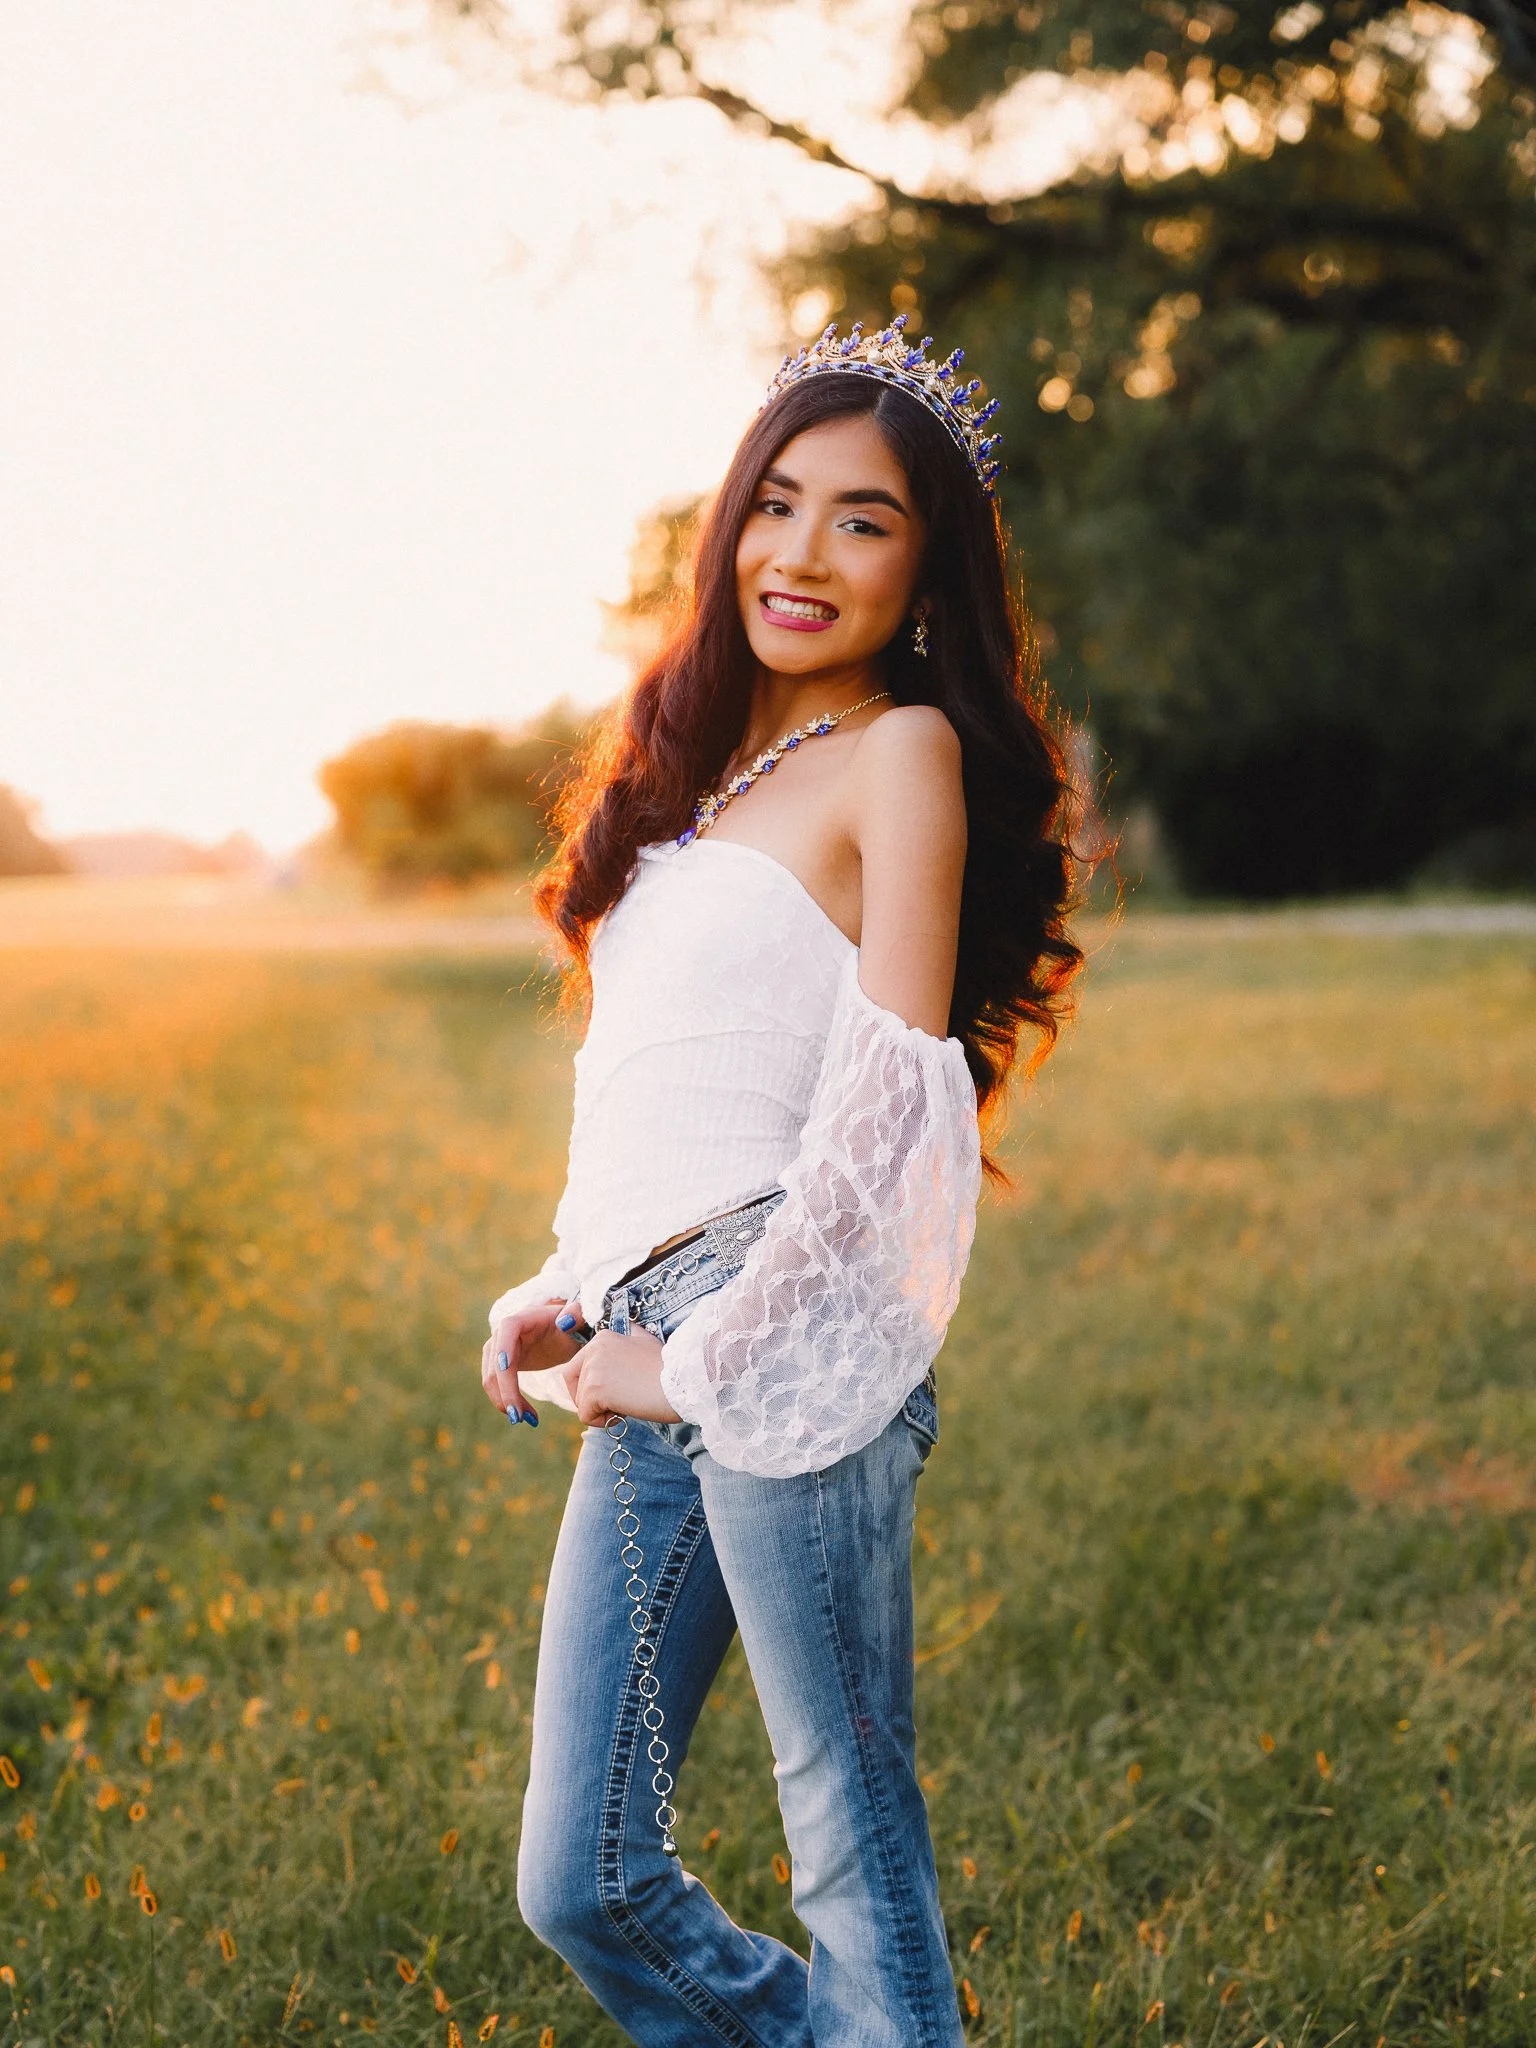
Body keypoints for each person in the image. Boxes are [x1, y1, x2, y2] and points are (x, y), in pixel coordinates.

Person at [479, 317, 1081, 2047]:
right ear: (729, 523)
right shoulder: (701, 785)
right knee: (582, 1875)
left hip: (783, 1324)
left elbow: (889, 1109)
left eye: (864, 520)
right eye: (779, 503)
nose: (803, 553)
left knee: (846, 1820)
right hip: (654, 1326)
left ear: (928, 570)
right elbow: (674, 1094)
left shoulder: (906, 754)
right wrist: (571, 1284)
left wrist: (706, 1358)